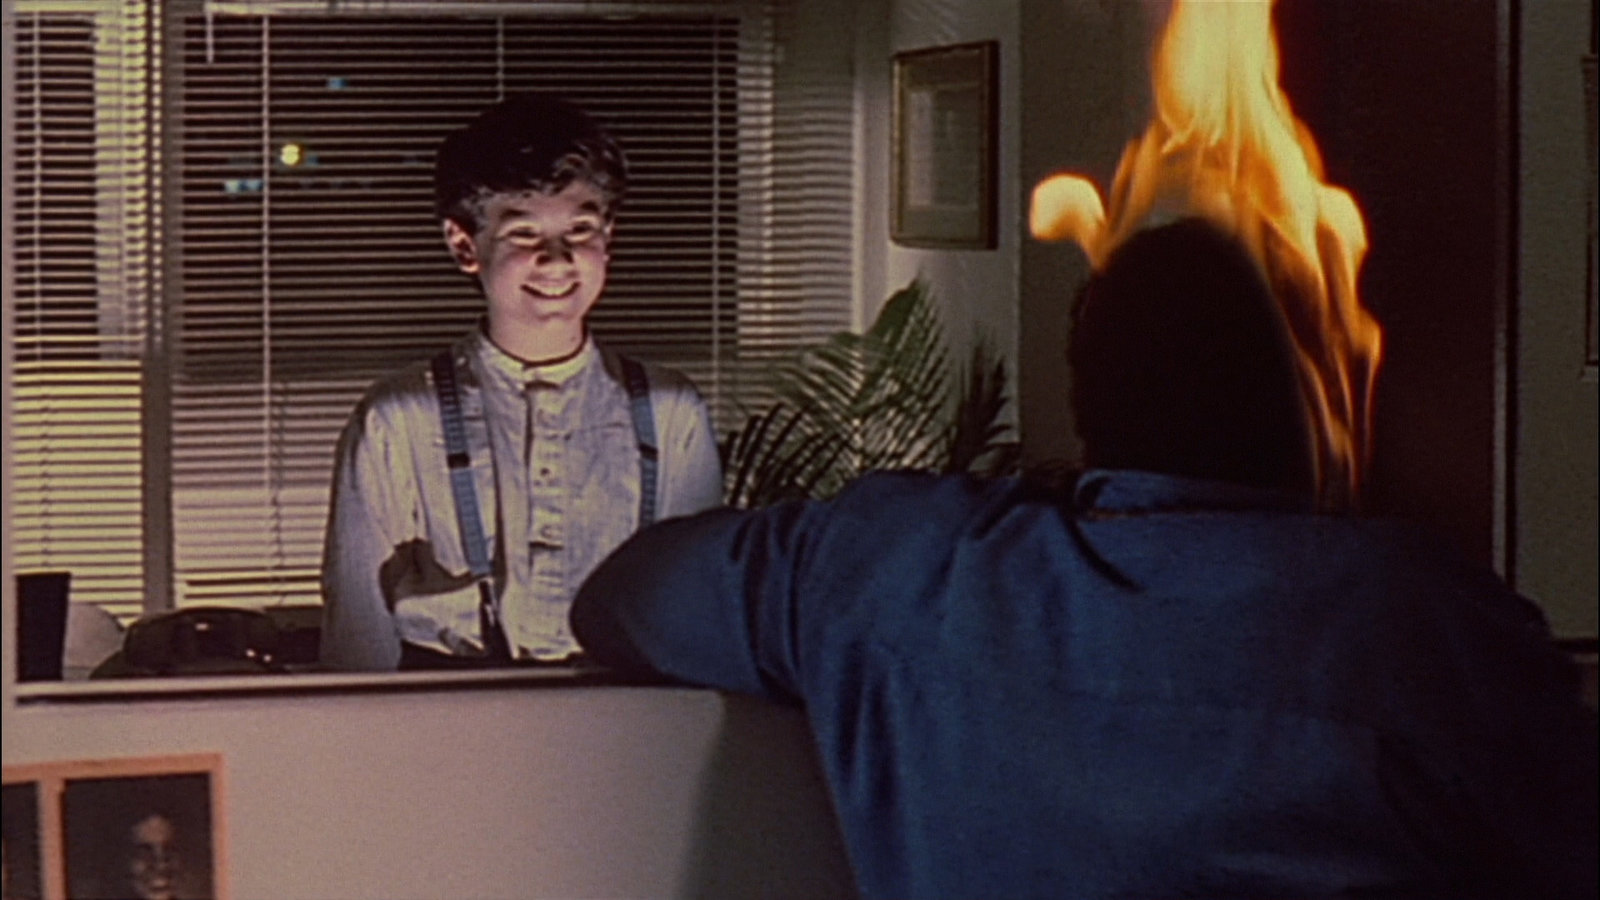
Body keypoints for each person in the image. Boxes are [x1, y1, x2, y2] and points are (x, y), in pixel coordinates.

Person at [572, 218, 1599, 899]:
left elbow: (623, 596)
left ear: (1084, 393)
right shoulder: (1420, 618)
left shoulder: (904, 565)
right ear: (1320, 404)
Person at [321, 94, 724, 670]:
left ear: (608, 235)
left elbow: (693, 610)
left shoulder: (669, 411)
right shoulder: (398, 417)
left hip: (620, 704)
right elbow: (357, 637)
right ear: (464, 246)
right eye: (523, 235)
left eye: (580, 230)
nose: (557, 261)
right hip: (448, 702)